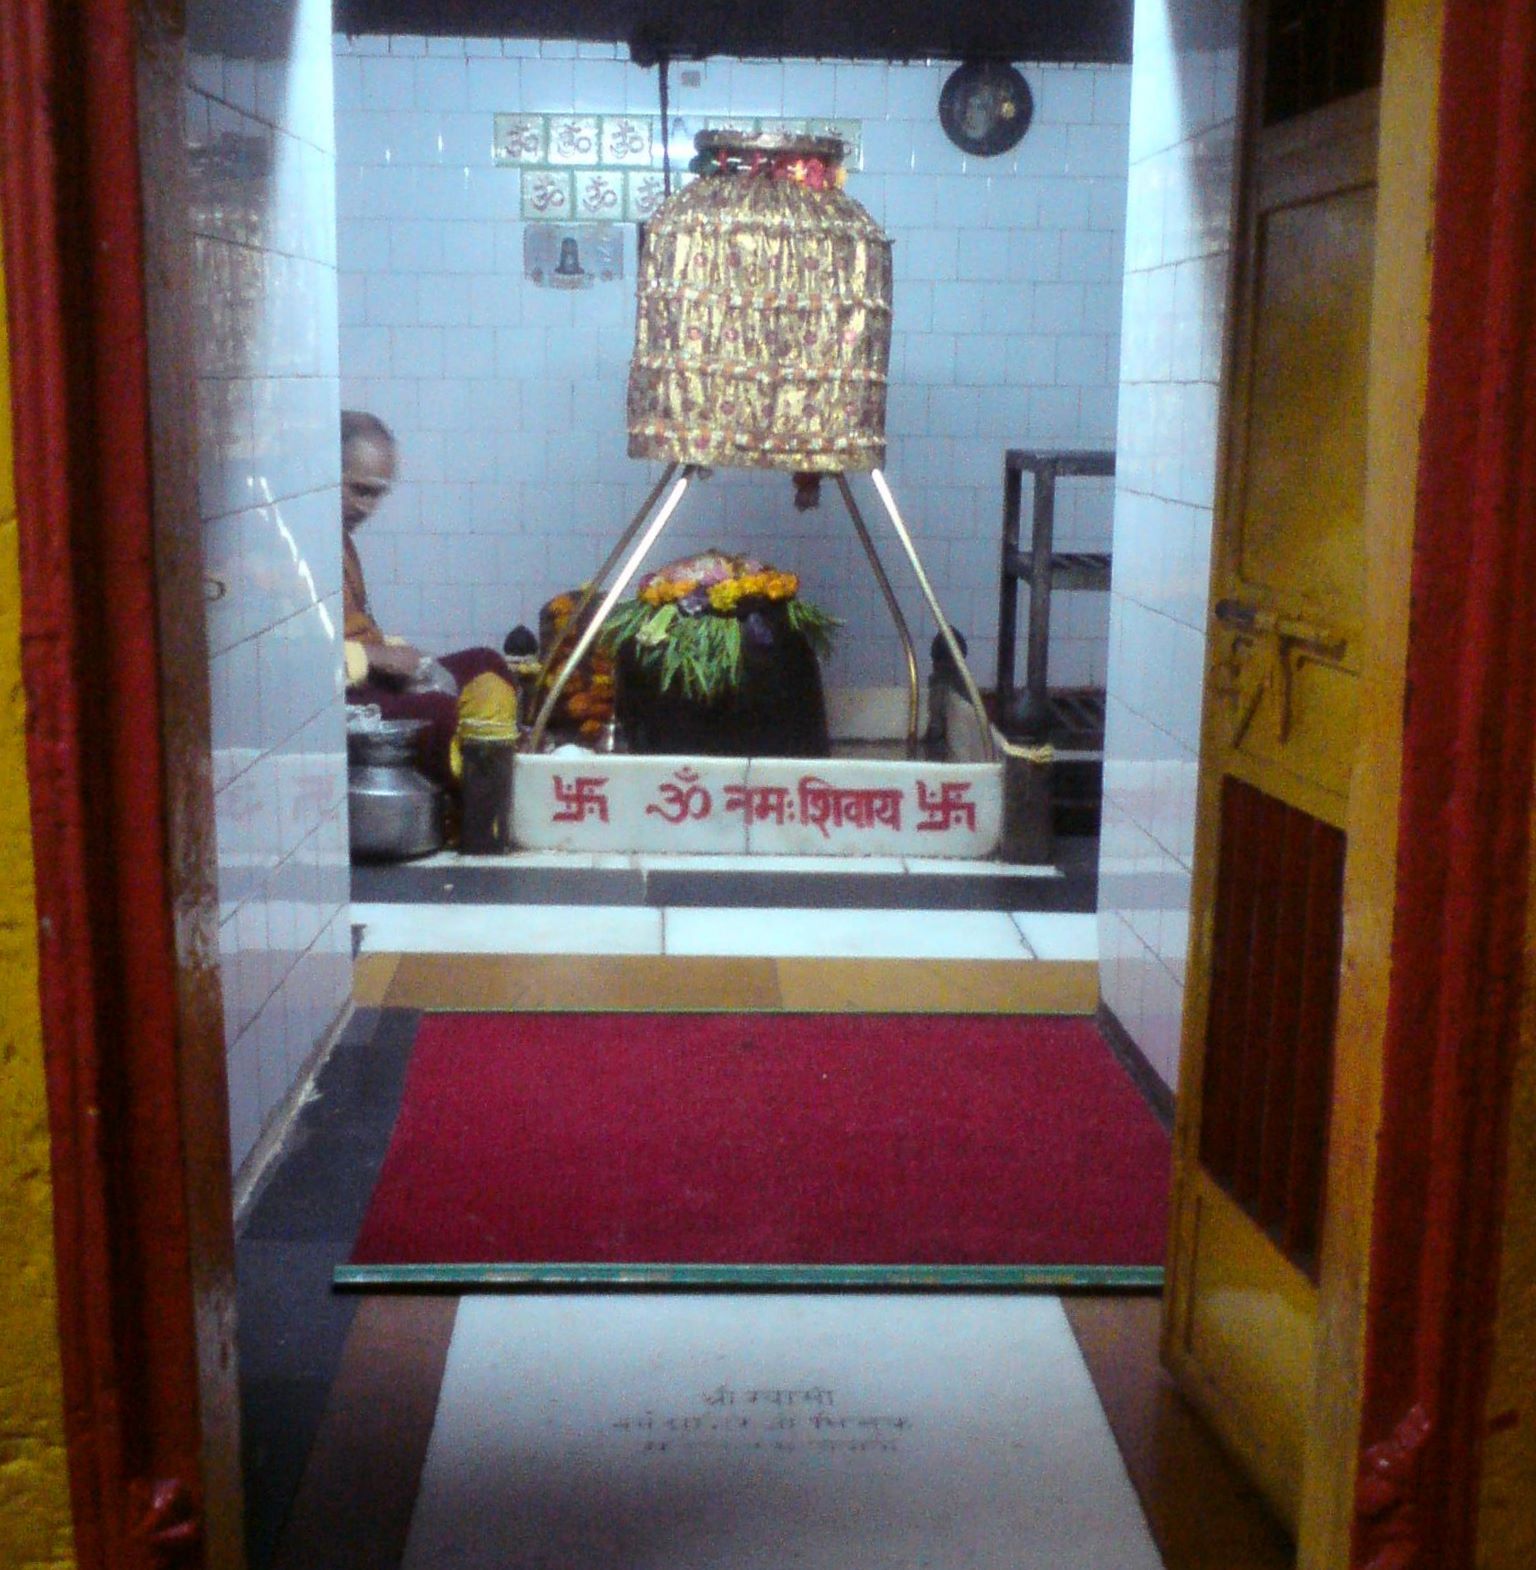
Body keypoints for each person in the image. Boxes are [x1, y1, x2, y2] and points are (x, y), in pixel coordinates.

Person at [341, 411, 515, 786]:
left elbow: (357, 629)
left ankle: (496, 773)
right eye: (360, 490)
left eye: (377, 494)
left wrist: (398, 653)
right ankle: (479, 800)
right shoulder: (287, 549)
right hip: (340, 700)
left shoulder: (340, 540)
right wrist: (375, 657)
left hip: (368, 675)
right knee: (438, 713)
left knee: (485, 663)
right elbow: (287, 663)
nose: (368, 508)